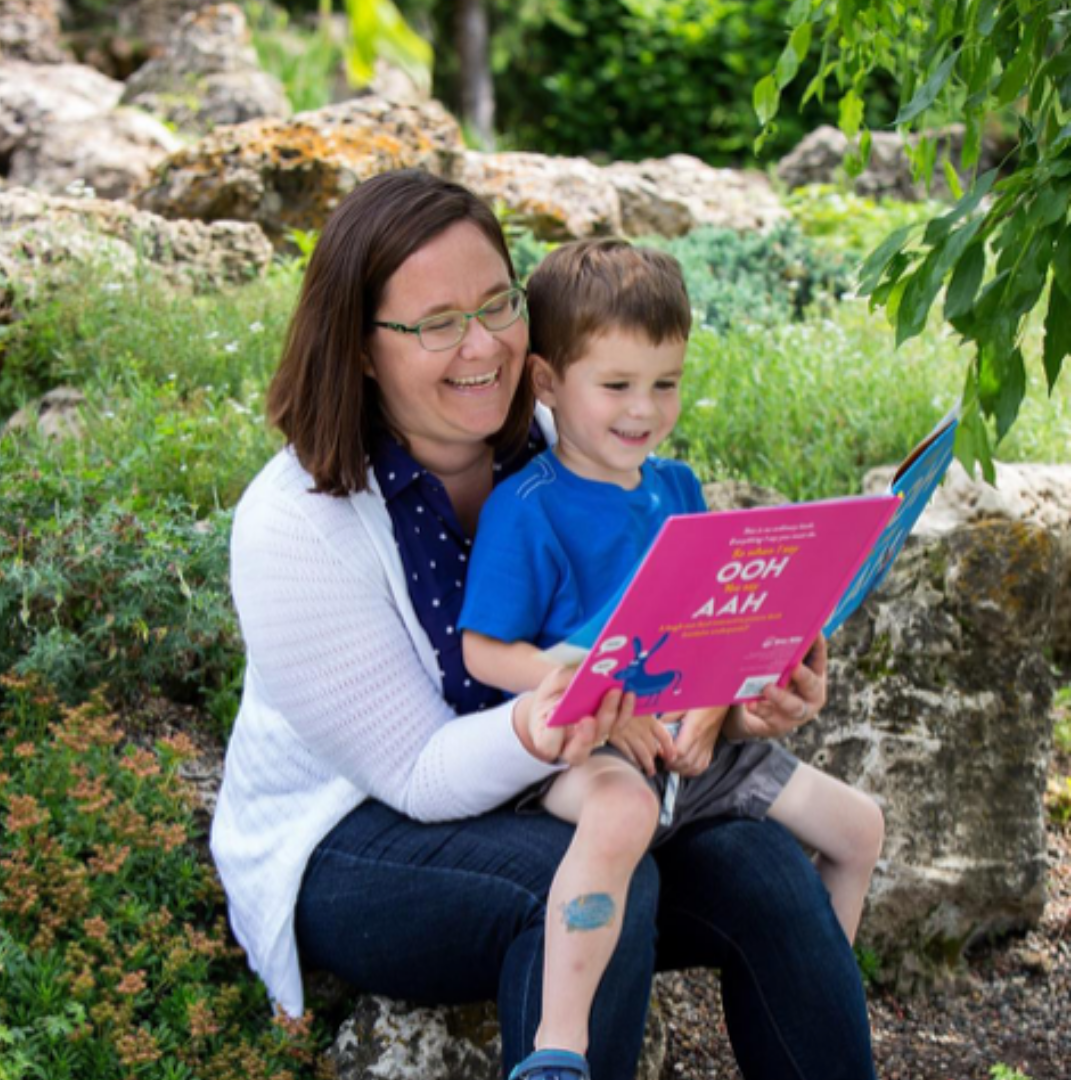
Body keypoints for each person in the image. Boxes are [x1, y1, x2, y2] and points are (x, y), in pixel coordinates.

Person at [210, 168, 879, 1080]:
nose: (482, 344)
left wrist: (733, 697)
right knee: (594, 873)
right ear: (361, 349)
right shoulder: (297, 523)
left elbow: (652, 638)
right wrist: (550, 718)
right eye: (437, 323)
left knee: (764, 865)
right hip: (357, 834)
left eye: (497, 303)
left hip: (573, 778)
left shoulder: (569, 445)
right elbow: (416, 773)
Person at [459, 239, 886, 1078]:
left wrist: (723, 706)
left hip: (697, 747)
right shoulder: (527, 507)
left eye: (666, 383)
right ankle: (559, 1043)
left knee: (859, 828)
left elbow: (712, 631)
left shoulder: (679, 489)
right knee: (620, 817)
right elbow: (482, 653)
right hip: (593, 747)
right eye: (616, 385)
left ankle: (821, 997)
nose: (644, 409)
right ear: (546, 382)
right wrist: (577, 682)